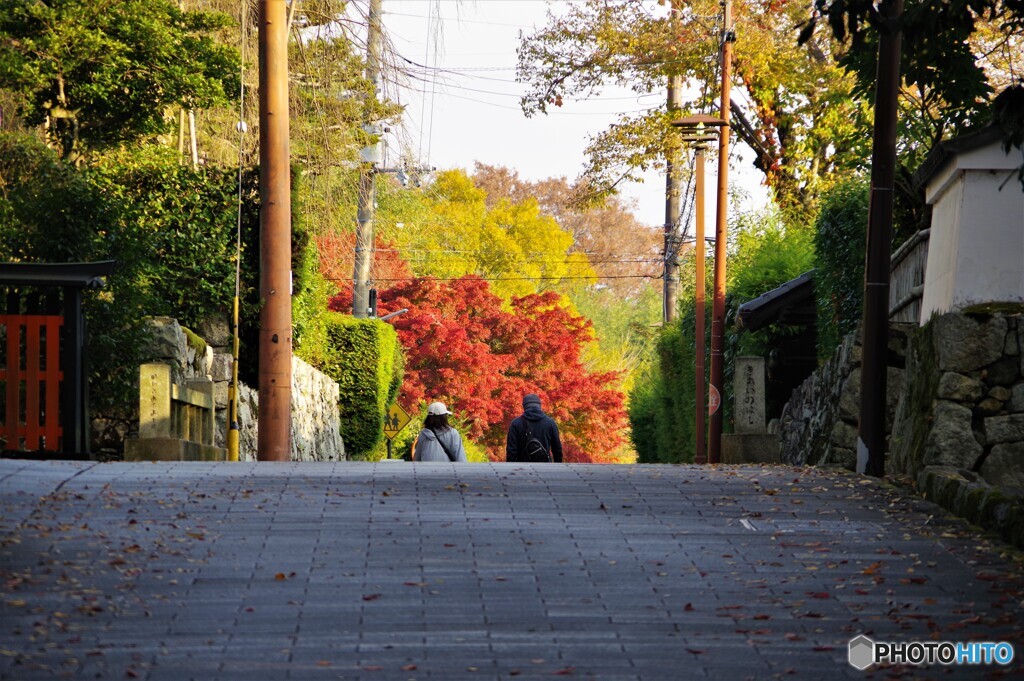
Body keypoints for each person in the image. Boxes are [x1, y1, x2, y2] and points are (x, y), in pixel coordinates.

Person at [506, 393, 562, 463]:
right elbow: (557, 449)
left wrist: (512, 469)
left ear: (524, 406)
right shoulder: (550, 423)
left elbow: (511, 451)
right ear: (539, 406)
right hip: (545, 467)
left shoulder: (516, 424)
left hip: (522, 468)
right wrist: (558, 467)